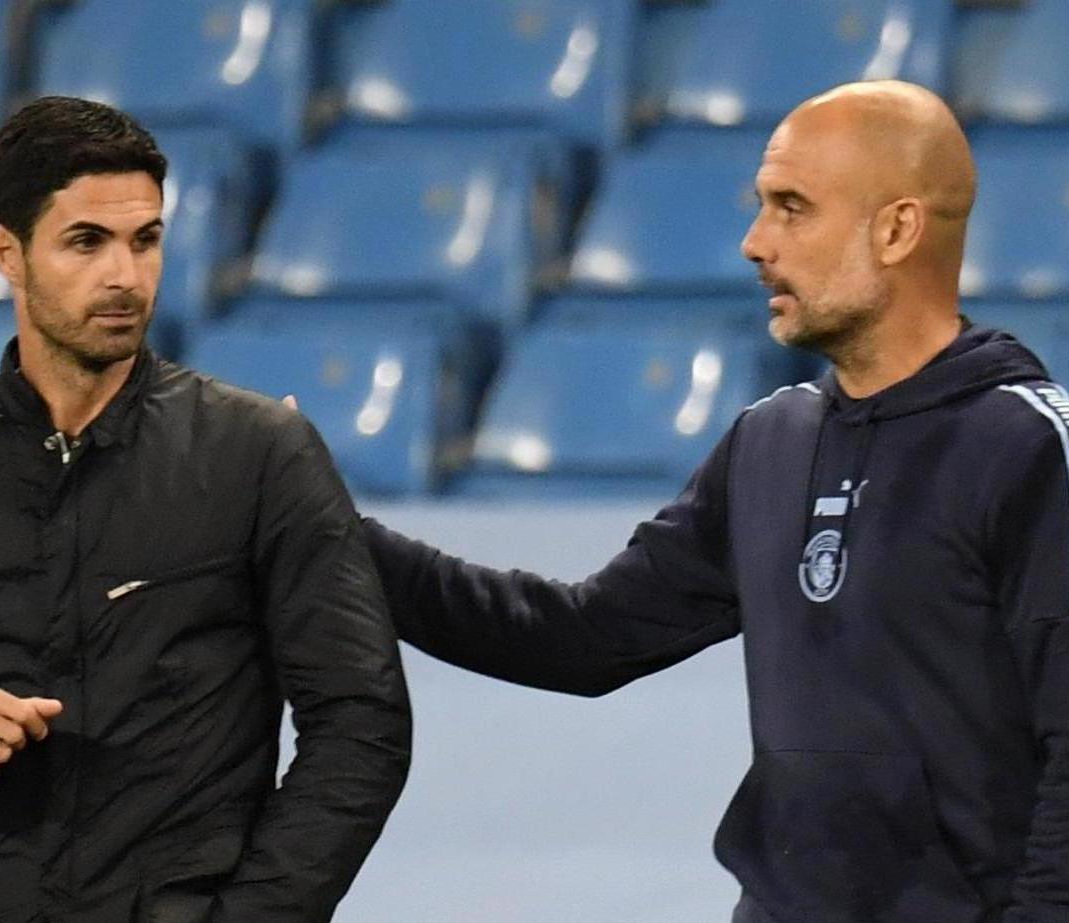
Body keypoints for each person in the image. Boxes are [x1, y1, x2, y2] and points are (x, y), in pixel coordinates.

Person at [361, 81, 1069, 922]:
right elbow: (580, 638)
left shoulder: (1027, 448)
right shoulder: (768, 442)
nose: (753, 242)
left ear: (897, 229)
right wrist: (336, 535)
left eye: (791, 208)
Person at [0, 96, 411, 923]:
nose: (124, 276)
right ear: (8, 252)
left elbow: (361, 720)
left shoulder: (260, 453)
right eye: (86, 242)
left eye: (145, 240)